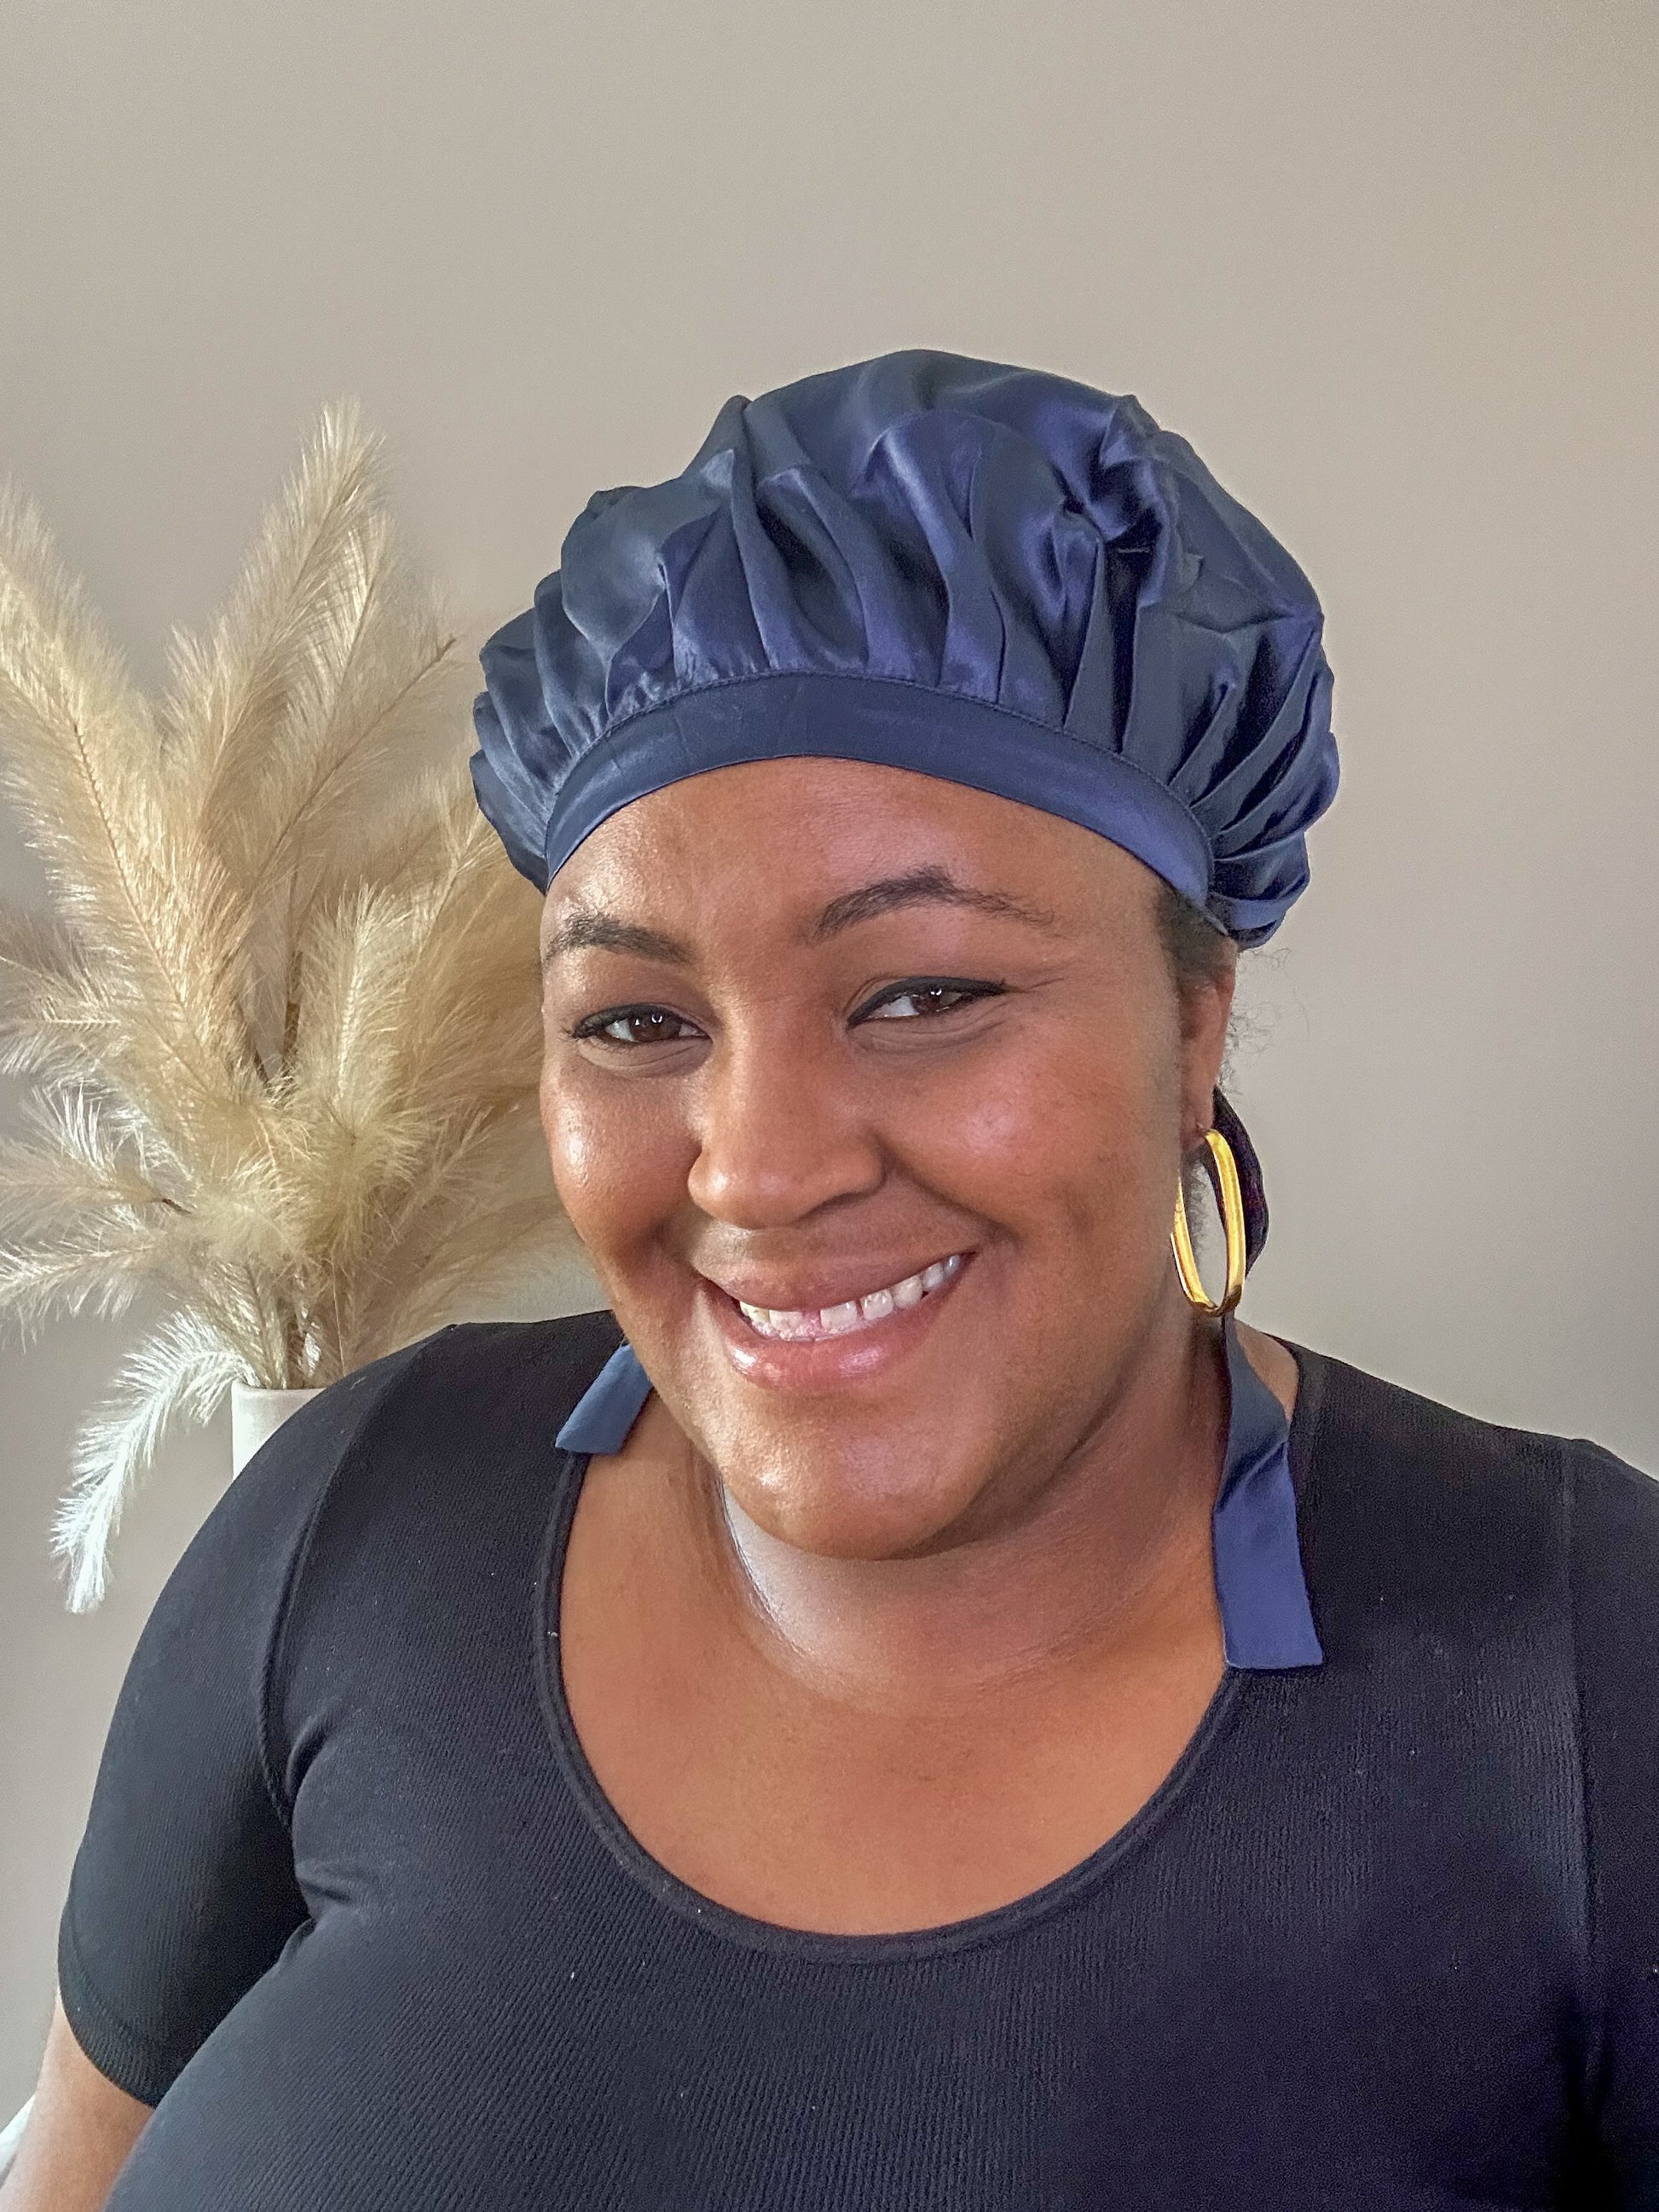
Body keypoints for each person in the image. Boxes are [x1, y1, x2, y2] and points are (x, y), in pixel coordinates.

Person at [5, 350, 1656, 2211]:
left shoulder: (1583, 1667)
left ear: (1192, 1024)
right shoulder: (352, 1515)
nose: (759, 1163)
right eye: (635, 1018)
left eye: (926, 992)